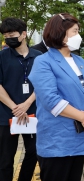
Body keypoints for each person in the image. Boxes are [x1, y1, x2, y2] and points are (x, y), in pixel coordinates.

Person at [28, 13, 84, 181]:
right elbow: (50, 100)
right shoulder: (43, 61)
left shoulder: (79, 60)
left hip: (79, 136)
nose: (78, 36)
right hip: (57, 140)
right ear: (60, 32)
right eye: (75, 31)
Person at [0, 18, 41, 181]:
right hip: (6, 115)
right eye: (5, 35)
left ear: (23, 34)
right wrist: (15, 107)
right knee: (5, 158)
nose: (8, 37)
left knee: (34, 152)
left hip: (32, 113)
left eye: (12, 34)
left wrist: (27, 103)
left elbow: (43, 84)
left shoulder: (39, 57)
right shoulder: (2, 57)